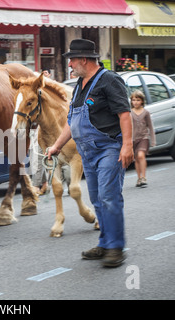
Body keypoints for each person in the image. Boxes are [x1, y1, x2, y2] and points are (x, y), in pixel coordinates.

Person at [48, 39, 134, 267]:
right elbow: (72, 120)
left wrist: (127, 145)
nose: (70, 65)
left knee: (109, 196)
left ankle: (116, 247)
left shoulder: (109, 80)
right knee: (97, 198)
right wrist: (56, 145)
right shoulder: (79, 84)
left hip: (109, 148)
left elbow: (124, 114)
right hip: (88, 152)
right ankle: (105, 242)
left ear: (84, 59)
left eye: (72, 61)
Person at [130, 90, 156, 187]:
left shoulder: (146, 112)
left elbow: (151, 127)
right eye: (133, 100)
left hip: (143, 138)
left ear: (142, 101)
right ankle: (139, 178)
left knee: (141, 155)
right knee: (136, 159)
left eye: (138, 100)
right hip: (133, 139)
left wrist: (153, 141)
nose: (135, 102)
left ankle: (144, 177)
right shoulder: (129, 113)